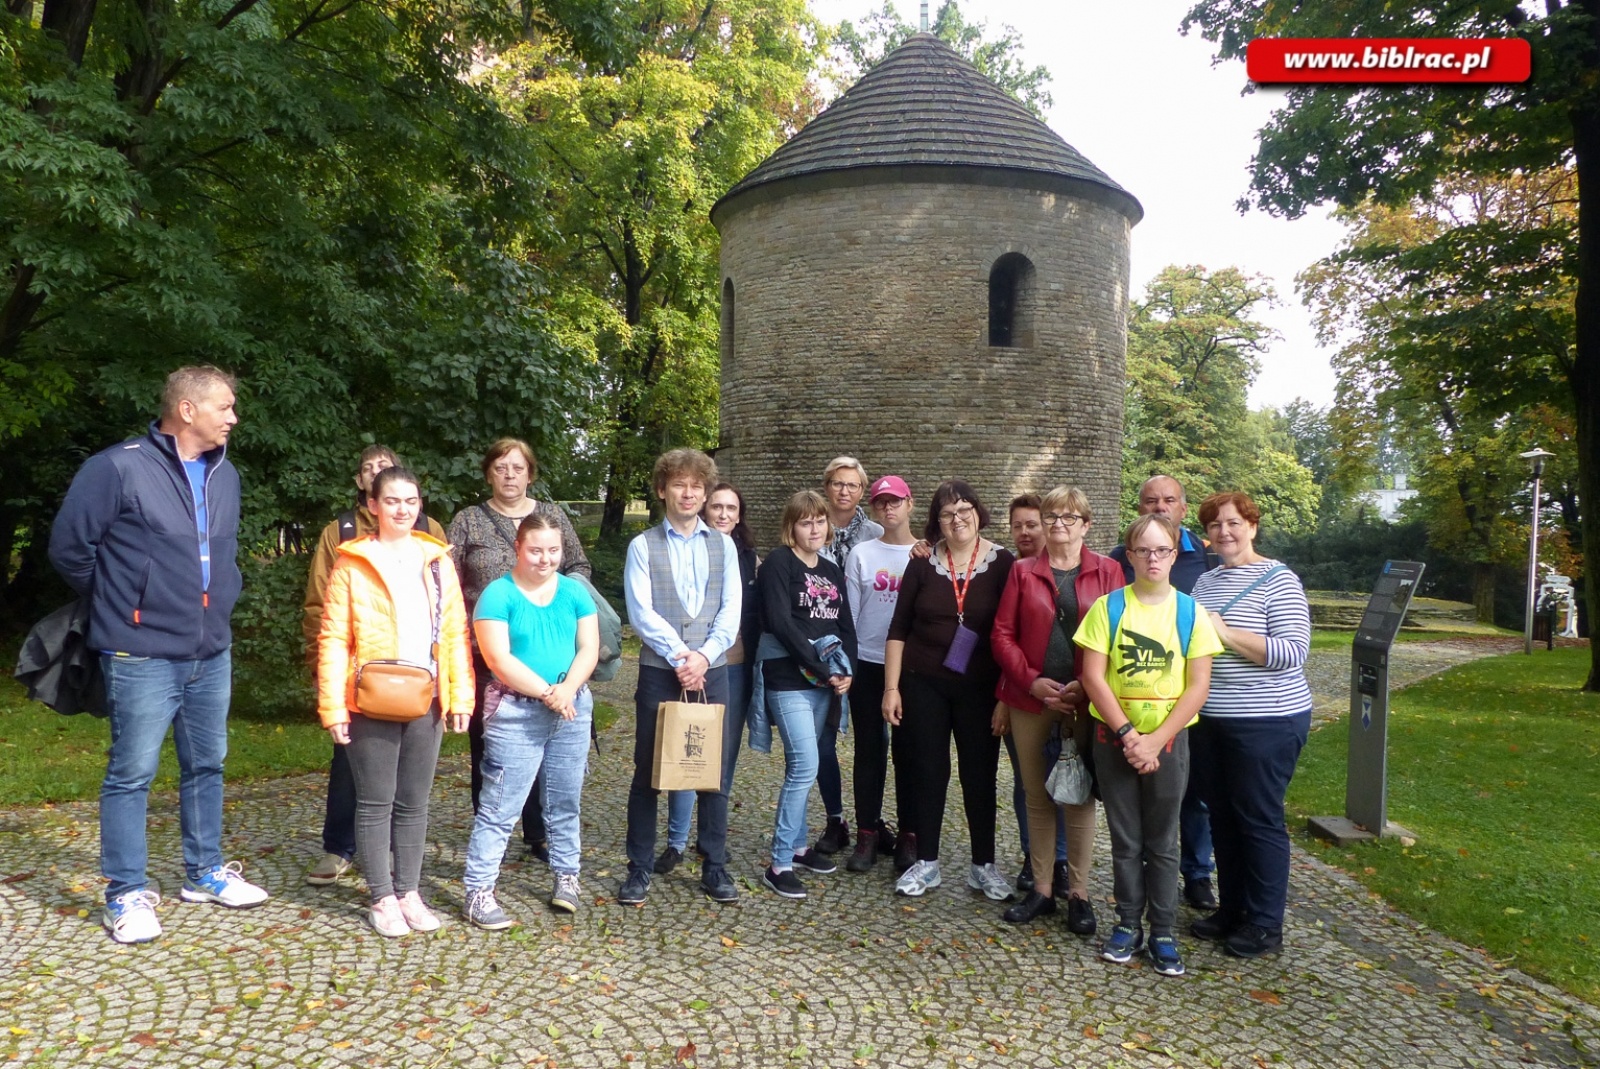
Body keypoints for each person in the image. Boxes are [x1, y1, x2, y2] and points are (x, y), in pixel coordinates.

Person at [49, 365, 269, 943]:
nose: (233, 417)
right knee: (132, 773)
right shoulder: (116, 467)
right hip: (141, 652)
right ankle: (124, 894)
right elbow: (71, 549)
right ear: (188, 410)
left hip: (209, 650)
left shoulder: (226, 476)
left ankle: (204, 873)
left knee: (207, 764)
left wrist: (221, 601)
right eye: (225, 407)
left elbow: (221, 555)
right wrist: (127, 605)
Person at [317, 466, 474, 937]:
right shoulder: (352, 562)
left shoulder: (437, 560)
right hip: (370, 696)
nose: (402, 509)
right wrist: (332, 707)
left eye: (410, 501)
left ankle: (409, 891)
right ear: (372, 506)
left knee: (414, 802)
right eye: (392, 501)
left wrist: (460, 695)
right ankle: (381, 897)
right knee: (375, 802)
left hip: (425, 696)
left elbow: (453, 634)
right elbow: (333, 639)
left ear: (420, 505)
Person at [1075, 513, 1223, 978]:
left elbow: (1198, 686)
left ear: (1174, 555)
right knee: (1125, 839)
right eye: (1144, 550)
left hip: (1169, 742)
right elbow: (1092, 676)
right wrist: (1128, 736)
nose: (1153, 558)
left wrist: (1156, 740)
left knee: (1162, 841)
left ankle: (1162, 930)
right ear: (1130, 555)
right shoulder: (1108, 607)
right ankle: (1126, 924)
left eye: (1162, 550)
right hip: (1114, 739)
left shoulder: (1190, 611)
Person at [300, 445, 445, 887]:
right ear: (365, 490)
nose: (378, 474)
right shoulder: (341, 535)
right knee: (353, 771)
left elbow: (449, 619)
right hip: (360, 680)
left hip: (421, 681)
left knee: (411, 788)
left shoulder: (431, 538)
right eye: (369, 469)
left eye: (386, 467)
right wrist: (326, 676)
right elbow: (320, 606)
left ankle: (402, 872)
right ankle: (341, 848)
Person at [449, 439, 591, 861]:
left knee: (551, 744)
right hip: (489, 652)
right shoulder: (469, 521)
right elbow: (449, 582)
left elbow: (579, 565)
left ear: (530, 473)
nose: (509, 474)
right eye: (501, 467)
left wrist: (570, 600)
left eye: (517, 467)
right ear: (488, 473)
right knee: (493, 746)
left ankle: (540, 832)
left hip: (551, 649)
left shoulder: (551, 517)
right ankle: (493, 828)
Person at [991, 486, 1124, 934]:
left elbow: (1117, 635)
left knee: (1080, 797)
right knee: (1037, 796)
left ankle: (1080, 895)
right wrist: (1030, 680)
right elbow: (1002, 634)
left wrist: (1086, 687)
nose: (1058, 525)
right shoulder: (1023, 572)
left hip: (1086, 701)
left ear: (1086, 524)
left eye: (1069, 518)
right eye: (1051, 517)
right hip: (1031, 698)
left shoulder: (1108, 572)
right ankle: (1043, 889)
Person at [1189, 492, 1313, 959]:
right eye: (1216, 525)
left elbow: (1292, 653)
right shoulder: (1205, 584)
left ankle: (1265, 924)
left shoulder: (1278, 580)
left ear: (1252, 527)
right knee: (1221, 817)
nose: (1225, 532)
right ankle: (1233, 909)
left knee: (1259, 820)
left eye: (1234, 523)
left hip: (1267, 721)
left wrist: (1226, 634)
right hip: (1212, 719)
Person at [462, 513, 600, 929]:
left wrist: (567, 690)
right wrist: (547, 693)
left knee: (564, 801)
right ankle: (478, 890)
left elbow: (588, 647)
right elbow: (498, 660)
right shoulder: (497, 595)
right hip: (517, 710)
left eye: (553, 550)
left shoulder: (575, 592)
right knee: (500, 805)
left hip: (571, 706)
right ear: (518, 549)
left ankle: (566, 876)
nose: (545, 559)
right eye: (536, 550)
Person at [619, 449, 742, 905]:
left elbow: (731, 610)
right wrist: (680, 656)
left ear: (705, 491)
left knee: (714, 772)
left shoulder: (723, 544)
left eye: (696, 485)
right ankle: (640, 867)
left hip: (713, 670)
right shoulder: (641, 545)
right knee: (649, 771)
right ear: (661, 490)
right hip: (660, 670)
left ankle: (714, 865)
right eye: (678, 484)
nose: (688, 493)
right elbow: (640, 610)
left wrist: (705, 658)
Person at [882, 480, 1015, 899]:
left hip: (980, 689)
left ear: (978, 511)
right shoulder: (921, 562)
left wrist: (1005, 697)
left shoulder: (1002, 562)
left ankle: (983, 865)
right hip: (923, 685)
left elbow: (1013, 632)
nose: (957, 519)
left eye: (964, 509)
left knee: (980, 775)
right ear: (935, 521)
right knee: (927, 771)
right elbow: (898, 628)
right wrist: (891, 688)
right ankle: (927, 861)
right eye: (947, 513)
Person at [1109, 474, 1220, 911]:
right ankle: (1136, 901)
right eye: (1150, 501)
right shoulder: (1120, 558)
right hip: (1133, 703)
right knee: (1134, 810)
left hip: (1192, 693)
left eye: (1168, 500)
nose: (1159, 507)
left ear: (1183, 507)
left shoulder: (1207, 560)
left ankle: (1196, 874)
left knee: (1195, 794)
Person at [755, 491, 857, 899]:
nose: (813, 529)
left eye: (819, 521)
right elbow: (781, 622)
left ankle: (798, 847)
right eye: (805, 522)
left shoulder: (832, 569)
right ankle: (778, 863)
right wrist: (822, 667)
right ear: (791, 527)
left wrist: (845, 668)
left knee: (802, 764)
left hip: (826, 682)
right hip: (788, 678)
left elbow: (846, 624)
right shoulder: (780, 563)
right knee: (806, 763)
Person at [657, 484, 760, 875]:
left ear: (739, 515)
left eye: (731, 508)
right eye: (716, 506)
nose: (723, 514)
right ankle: (676, 841)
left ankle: (710, 839)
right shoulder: (687, 549)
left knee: (721, 758)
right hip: (686, 663)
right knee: (685, 750)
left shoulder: (751, 560)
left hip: (732, 666)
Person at [841, 476, 916, 872]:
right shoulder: (862, 554)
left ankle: (909, 835)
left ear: (910, 504)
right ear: (873, 510)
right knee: (869, 751)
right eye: (880, 503)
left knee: (910, 754)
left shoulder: (925, 554)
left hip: (910, 669)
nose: (889, 509)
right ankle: (867, 833)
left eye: (895, 501)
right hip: (868, 662)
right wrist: (848, 663)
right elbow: (849, 615)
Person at [810, 456, 884, 856]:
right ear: (827, 486)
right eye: (837, 483)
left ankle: (871, 822)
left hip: (866, 647)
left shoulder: (875, 531)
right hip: (822, 647)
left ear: (862, 491)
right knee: (823, 740)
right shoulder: (811, 523)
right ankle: (836, 818)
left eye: (852, 485)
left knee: (874, 740)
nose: (844, 491)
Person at [995, 493, 1066, 893]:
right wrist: (1008, 697)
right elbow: (1005, 638)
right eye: (1017, 525)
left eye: (1032, 524)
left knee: (1069, 781)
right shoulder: (1014, 569)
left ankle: (1062, 862)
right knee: (1030, 784)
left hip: (1071, 696)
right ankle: (1034, 856)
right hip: (1022, 693)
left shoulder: (1078, 570)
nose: (1024, 532)